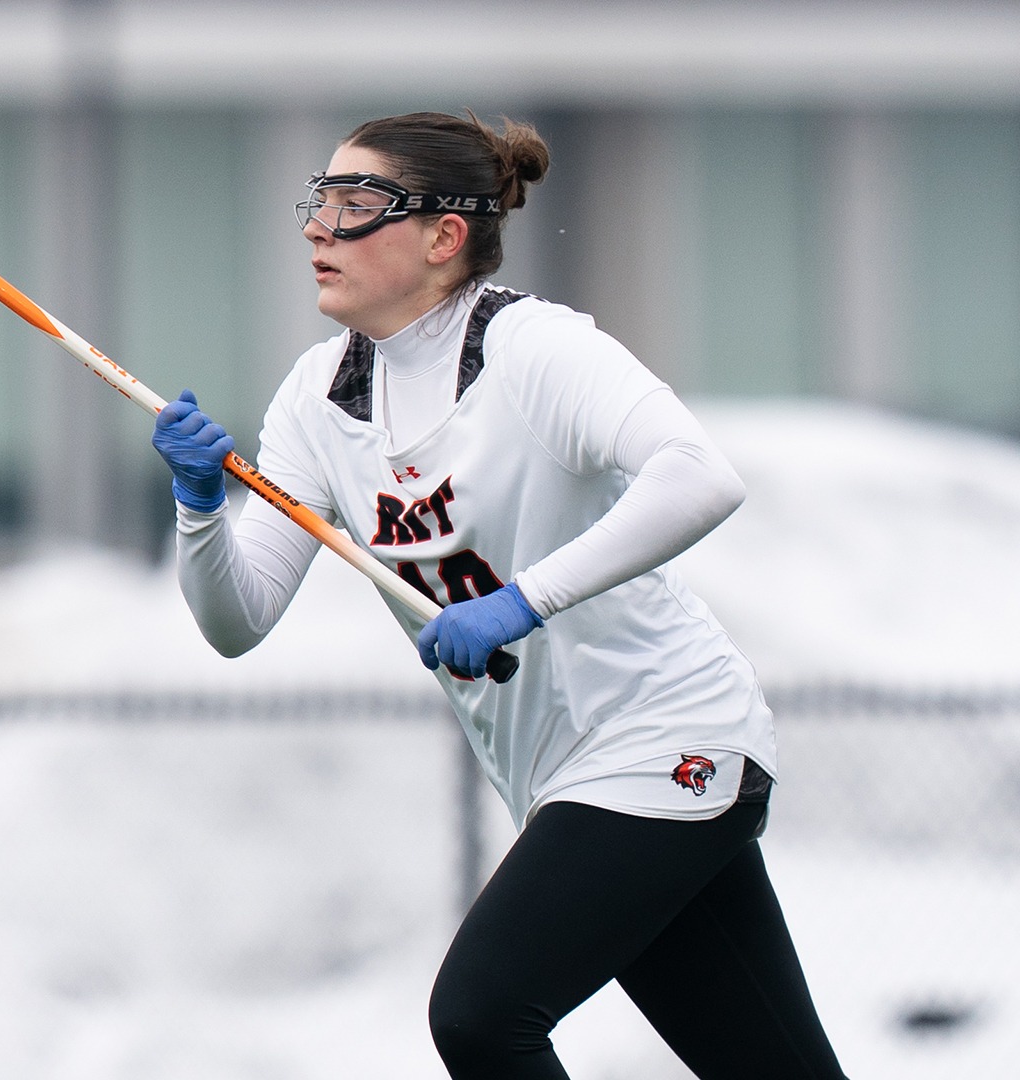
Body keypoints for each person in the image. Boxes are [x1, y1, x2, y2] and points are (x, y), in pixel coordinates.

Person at [151, 111, 848, 1080]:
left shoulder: (534, 349)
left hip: (668, 738)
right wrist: (199, 507)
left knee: (482, 1016)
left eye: (357, 206)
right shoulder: (317, 399)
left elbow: (699, 476)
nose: (318, 228)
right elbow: (239, 622)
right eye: (319, 200)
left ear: (446, 237)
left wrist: (523, 601)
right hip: (563, 778)